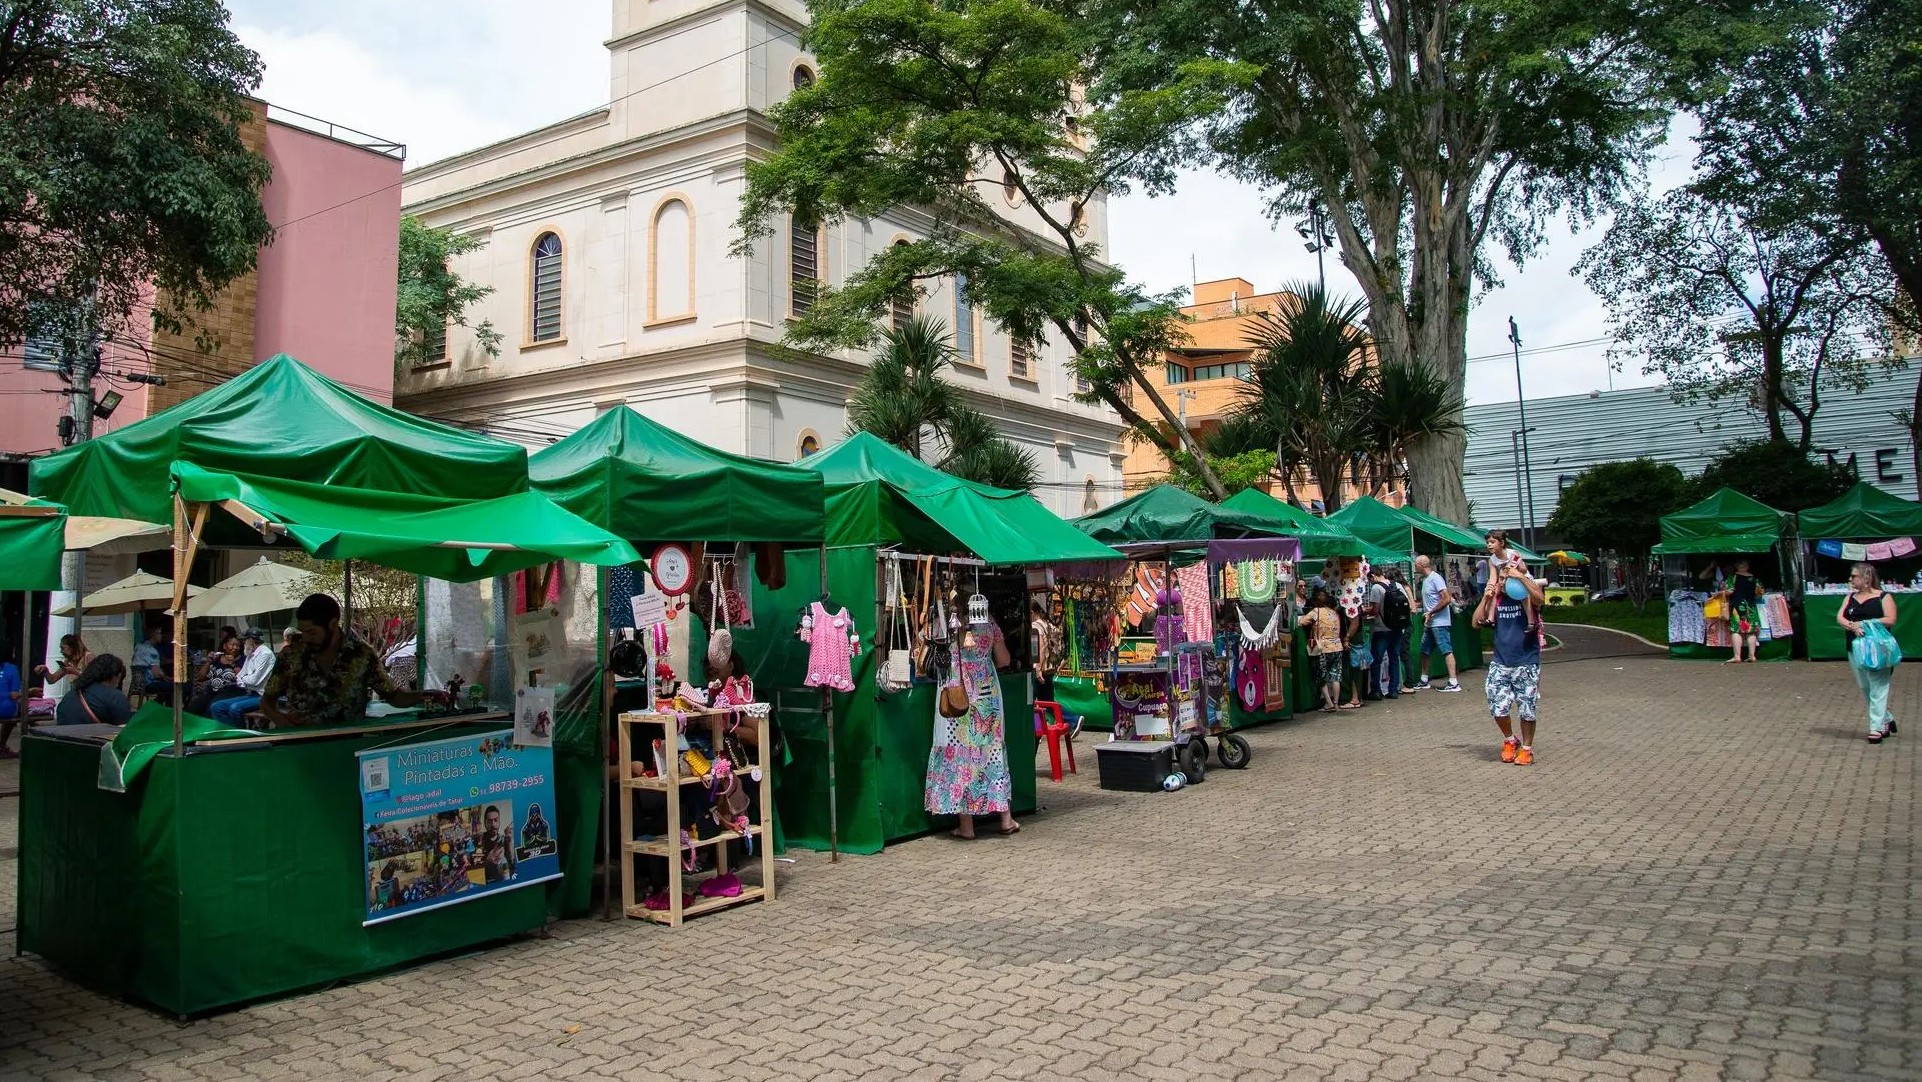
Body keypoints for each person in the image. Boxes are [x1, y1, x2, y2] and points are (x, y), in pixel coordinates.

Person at [261, 594, 424, 728]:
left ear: (332, 624)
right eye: (302, 631)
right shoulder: (290, 656)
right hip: (301, 743)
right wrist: (280, 719)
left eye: (311, 632)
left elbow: (394, 696)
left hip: (348, 745)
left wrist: (424, 696)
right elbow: (267, 702)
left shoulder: (362, 655)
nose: (305, 638)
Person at [925, 608, 1017, 839]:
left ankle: (967, 827)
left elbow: (922, 641)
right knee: (991, 753)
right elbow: (1004, 659)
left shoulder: (943, 623)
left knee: (958, 755)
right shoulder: (989, 621)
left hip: (956, 695)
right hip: (986, 696)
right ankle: (1005, 819)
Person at [1478, 560, 1545, 764]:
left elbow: (1540, 599)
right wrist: (1486, 597)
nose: (1505, 582)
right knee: (1497, 705)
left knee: (1527, 708)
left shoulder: (1524, 598)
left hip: (1526, 661)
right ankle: (1509, 739)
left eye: (1508, 578)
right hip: (1501, 662)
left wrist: (1521, 577)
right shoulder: (1497, 601)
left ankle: (1527, 749)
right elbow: (1476, 622)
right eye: (1502, 579)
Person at [1840, 562, 1899, 742]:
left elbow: (1891, 619)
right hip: (1855, 648)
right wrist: (1851, 625)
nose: (1850, 579)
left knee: (1878, 688)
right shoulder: (1850, 597)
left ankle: (1876, 728)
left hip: (1878, 649)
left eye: (1854, 576)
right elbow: (1840, 617)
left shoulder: (1883, 597)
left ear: (1867, 578)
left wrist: (1865, 624)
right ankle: (1887, 719)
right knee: (1865, 687)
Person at [1414, 555, 1461, 692]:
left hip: (1439, 622)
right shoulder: (1425, 580)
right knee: (1425, 651)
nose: (1415, 566)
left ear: (1423, 565)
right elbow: (1432, 599)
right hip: (1430, 623)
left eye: (1416, 564)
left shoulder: (1436, 578)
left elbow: (1446, 599)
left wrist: (1431, 612)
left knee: (1446, 650)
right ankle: (1424, 679)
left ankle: (1453, 682)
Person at [211, 629, 277, 726]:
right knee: (216, 707)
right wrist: (244, 678)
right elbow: (240, 675)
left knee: (235, 708)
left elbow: (254, 680)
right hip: (250, 693)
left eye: (245, 640)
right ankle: (231, 732)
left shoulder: (265, 654)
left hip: (263, 696)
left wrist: (243, 679)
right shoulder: (250, 653)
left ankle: (241, 735)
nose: (243, 643)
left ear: (251, 640)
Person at [55, 654, 131, 727]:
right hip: (93, 739)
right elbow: (124, 731)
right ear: (116, 676)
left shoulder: (69, 696)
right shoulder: (115, 697)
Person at [1300, 587, 1344, 712]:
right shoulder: (1334, 613)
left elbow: (1302, 622)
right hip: (1337, 647)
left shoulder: (1316, 612)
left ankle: (1328, 703)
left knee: (1321, 676)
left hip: (1322, 648)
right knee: (1336, 677)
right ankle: (1336, 703)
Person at [1372, 567, 1411, 700]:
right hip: (1397, 628)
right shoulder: (1398, 585)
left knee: (1377, 660)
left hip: (1381, 629)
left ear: (1372, 576)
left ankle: (1376, 690)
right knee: (1394, 659)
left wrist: (1366, 611)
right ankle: (1393, 690)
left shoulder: (1376, 588)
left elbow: (1375, 611)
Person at [189, 631, 244, 716]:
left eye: (238, 646)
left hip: (230, 692)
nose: (235, 647)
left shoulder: (242, 660)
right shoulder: (217, 658)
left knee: (210, 710)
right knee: (192, 708)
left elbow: (242, 677)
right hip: (211, 691)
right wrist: (208, 662)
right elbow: (201, 677)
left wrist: (232, 664)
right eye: (232, 644)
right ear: (225, 646)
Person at [1724, 559, 1765, 664]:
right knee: (1751, 631)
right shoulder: (1754, 578)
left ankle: (1737, 656)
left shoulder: (1732, 577)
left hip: (1737, 607)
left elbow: (1729, 591)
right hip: (1750, 607)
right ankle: (1752, 656)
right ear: (1748, 566)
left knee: (1736, 630)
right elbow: (1760, 593)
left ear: (1737, 566)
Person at [1339, 594, 1373, 709]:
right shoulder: (1355, 601)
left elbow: (1354, 624)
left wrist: (1346, 638)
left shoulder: (1349, 603)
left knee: (1354, 668)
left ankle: (1355, 698)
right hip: (1357, 639)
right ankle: (1358, 697)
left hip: (1353, 641)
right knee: (1357, 668)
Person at [1028, 598, 1060, 706]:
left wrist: (1037, 669)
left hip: (1040, 670)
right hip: (1049, 668)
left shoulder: (1035, 626)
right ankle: (1072, 719)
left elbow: (1040, 648)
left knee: (1035, 703)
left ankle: (1072, 718)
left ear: (1032, 612)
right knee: (1048, 703)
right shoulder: (1047, 624)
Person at [479, 805, 516, 883]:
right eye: (489, 821)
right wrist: (487, 863)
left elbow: (512, 865)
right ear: (485, 822)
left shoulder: (503, 839)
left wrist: (510, 843)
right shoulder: (479, 840)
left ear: (499, 820)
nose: (493, 824)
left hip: (504, 881)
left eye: (496, 820)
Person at [0, 640, 24, 758]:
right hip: (6, 709)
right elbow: (15, 694)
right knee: (17, 712)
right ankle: (1, 745)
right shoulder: (12, 668)